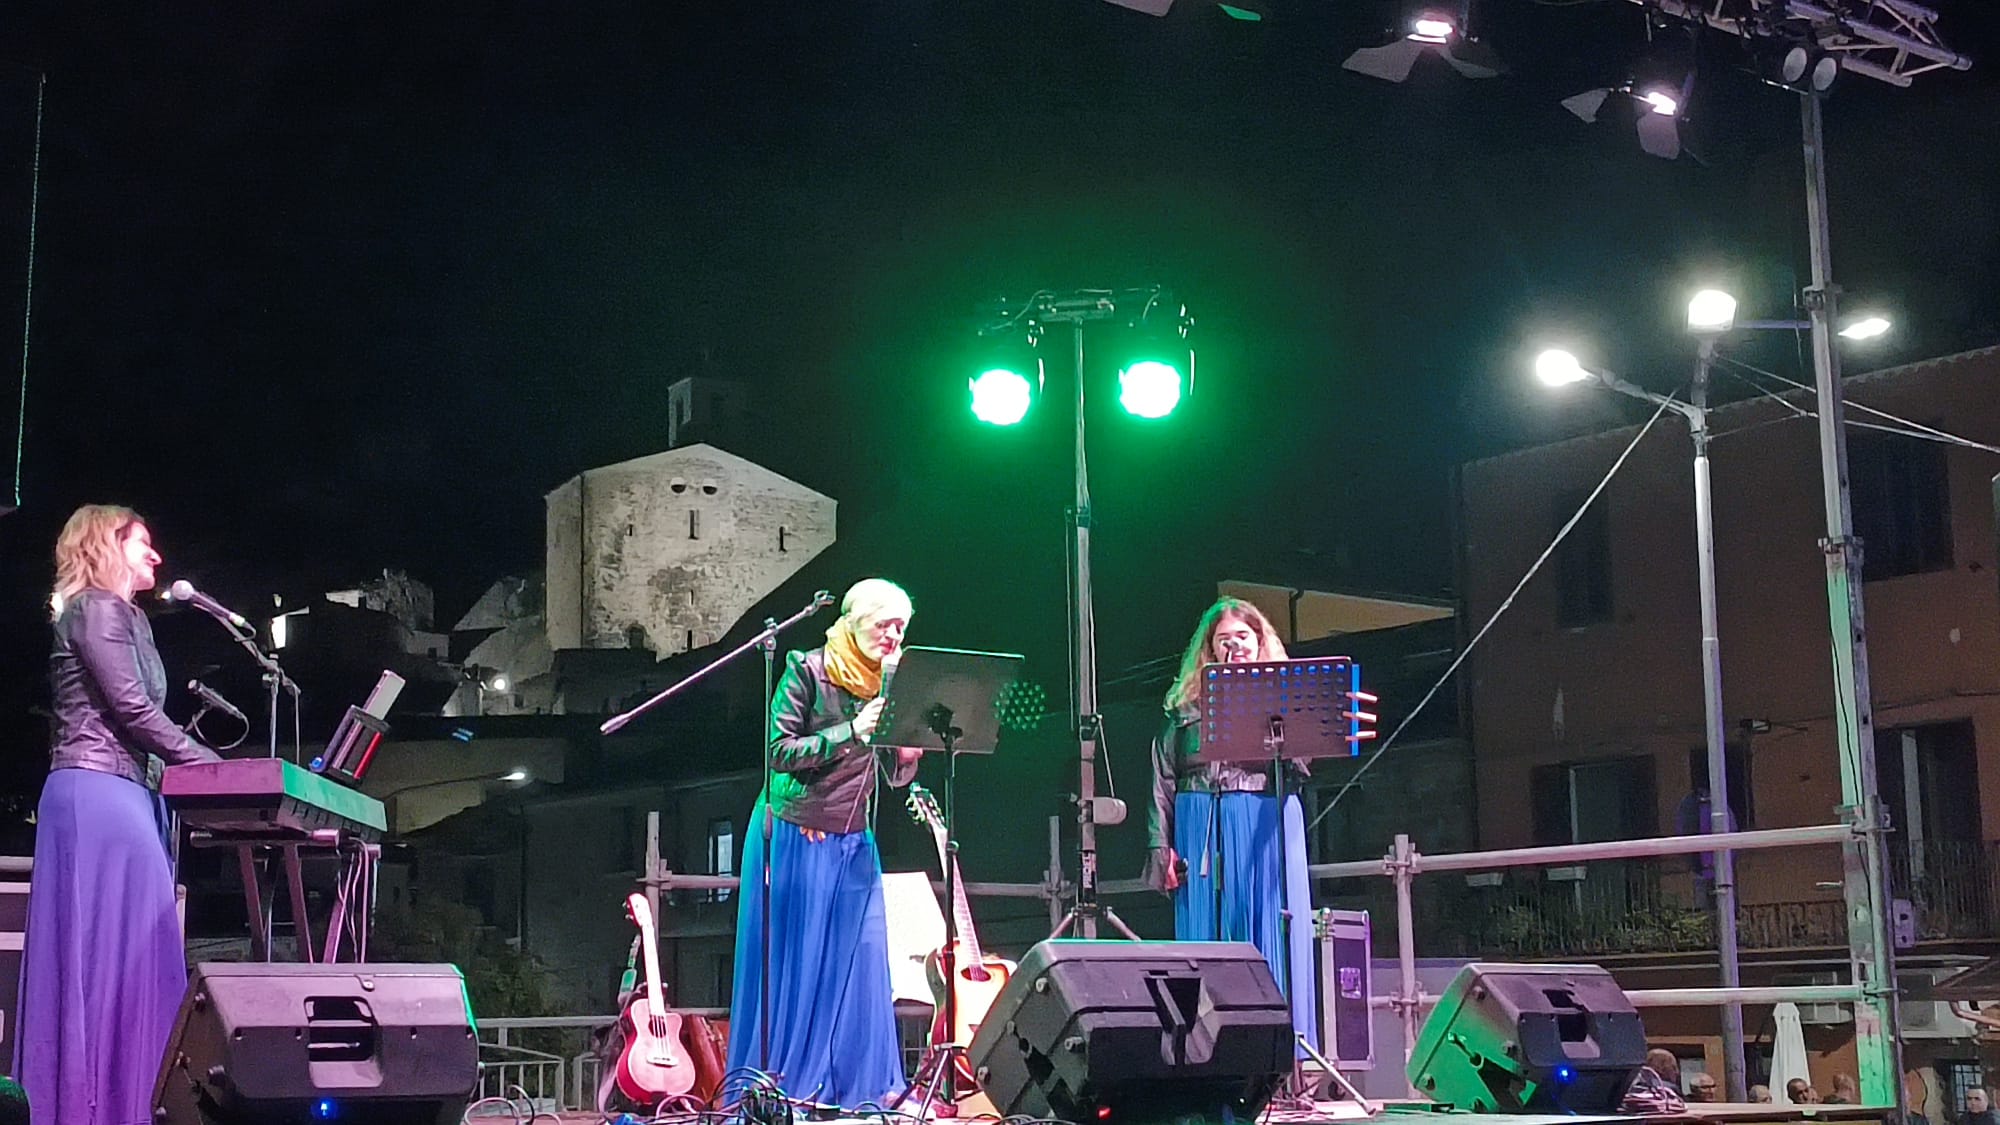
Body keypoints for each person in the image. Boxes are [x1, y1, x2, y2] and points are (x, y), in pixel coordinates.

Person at [14, 505, 221, 1125]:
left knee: (131, 956)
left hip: (123, 792)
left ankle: (120, 1104)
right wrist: (213, 767)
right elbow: (132, 710)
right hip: (98, 793)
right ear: (106, 544)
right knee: (114, 958)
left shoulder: (123, 615)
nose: (156, 556)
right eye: (142, 543)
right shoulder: (98, 608)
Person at [724, 578, 922, 1107]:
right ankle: (787, 1088)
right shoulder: (808, 669)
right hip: (798, 830)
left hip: (855, 837)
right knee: (802, 964)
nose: (894, 635)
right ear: (855, 623)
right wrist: (852, 731)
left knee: (863, 962)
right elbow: (778, 751)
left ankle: (867, 1087)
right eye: (885, 624)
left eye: (901, 626)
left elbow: (893, 775)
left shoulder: (892, 680)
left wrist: (907, 754)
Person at [1144, 597, 1318, 1050]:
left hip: (1261, 817)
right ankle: (1207, 1051)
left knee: (1268, 929)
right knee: (1205, 938)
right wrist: (1160, 847)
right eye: (1223, 640)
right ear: (1210, 649)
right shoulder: (1186, 707)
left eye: (1242, 637)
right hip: (1200, 821)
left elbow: (1302, 766)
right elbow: (1163, 777)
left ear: (1259, 642)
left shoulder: (1286, 700)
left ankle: (1280, 1051)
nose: (1234, 646)